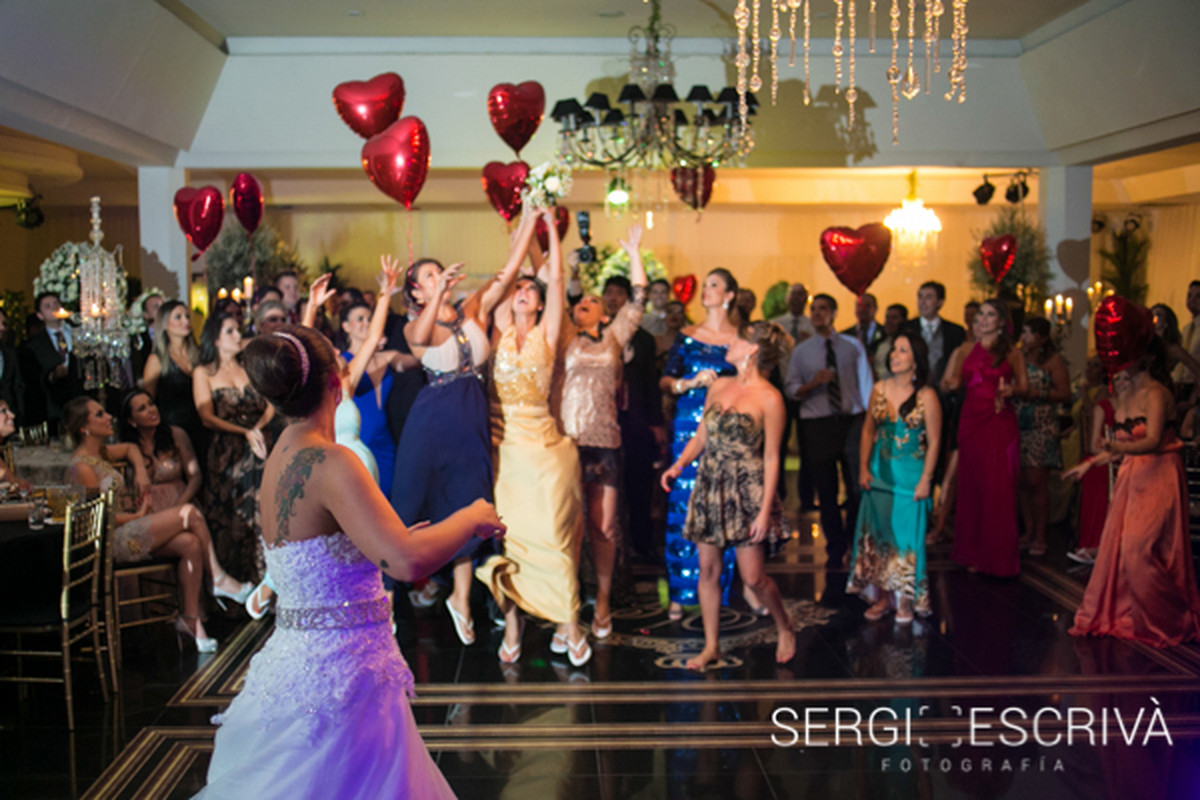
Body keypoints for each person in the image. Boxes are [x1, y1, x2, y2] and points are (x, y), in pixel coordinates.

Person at [196, 325, 504, 798]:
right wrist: (470, 517)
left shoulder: (281, 453)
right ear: (337, 385)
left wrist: (384, 541)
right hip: (344, 683)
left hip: (299, 662)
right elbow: (404, 562)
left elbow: (319, 549)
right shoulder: (332, 462)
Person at [390, 212, 539, 647]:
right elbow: (419, 334)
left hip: (471, 415)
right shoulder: (415, 325)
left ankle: (460, 597)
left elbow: (510, 271)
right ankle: (384, 599)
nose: (439, 277)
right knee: (409, 508)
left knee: (472, 506)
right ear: (416, 289)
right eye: (428, 276)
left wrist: (530, 216)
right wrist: (436, 296)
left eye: (440, 273)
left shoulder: (472, 308)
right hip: (432, 422)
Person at [476, 210, 588, 665]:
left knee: (555, 538)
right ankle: (515, 625)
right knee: (513, 540)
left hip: (544, 448)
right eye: (517, 290)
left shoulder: (548, 330)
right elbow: (505, 276)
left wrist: (549, 227)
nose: (522, 293)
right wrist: (523, 223)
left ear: (540, 303)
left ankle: (570, 621)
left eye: (529, 290)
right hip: (504, 448)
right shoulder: (500, 330)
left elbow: (556, 278)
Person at [63, 396, 250, 652]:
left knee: (191, 543)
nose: (108, 417)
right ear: (84, 428)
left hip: (127, 529)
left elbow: (129, 448)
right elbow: (95, 519)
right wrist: (137, 516)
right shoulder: (81, 467)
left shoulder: (102, 453)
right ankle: (217, 578)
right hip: (110, 540)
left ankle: (190, 621)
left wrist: (140, 470)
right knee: (189, 513)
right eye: (99, 415)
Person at [662, 321, 795, 671]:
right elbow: (701, 435)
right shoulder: (719, 384)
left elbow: (771, 457)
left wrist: (765, 511)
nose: (730, 342)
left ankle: (784, 624)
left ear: (751, 350)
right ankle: (711, 646)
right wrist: (678, 465)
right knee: (708, 569)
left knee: (754, 578)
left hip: (747, 488)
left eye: (738, 339)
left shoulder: (770, 398)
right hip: (710, 482)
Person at [1064, 321, 1200, 648]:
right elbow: (1118, 444)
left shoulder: (1157, 393)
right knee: (1123, 553)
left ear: (1147, 359)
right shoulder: (1123, 393)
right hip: (1131, 477)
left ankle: (1172, 620)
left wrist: (1115, 450)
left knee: (1141, 550)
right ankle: (1137, 617)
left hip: (1160, 475)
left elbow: (1152, 440)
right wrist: (1089, 464)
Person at [559, 224, 648, 659]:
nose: (585, 303)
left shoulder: (615, 337)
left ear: (605, 314)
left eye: (593, 301)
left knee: (604, 527)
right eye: (581, 301)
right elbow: (557, 293)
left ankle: (605, 601)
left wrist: (633, 253)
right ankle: (569, 605)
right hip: (567, 444)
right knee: (569, 527)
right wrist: (571, 268)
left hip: (606, 442)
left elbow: (639, 299)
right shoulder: (562, 340)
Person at [659, 269, 741, 619]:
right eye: (705, 285)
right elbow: (665, 379)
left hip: (725, 430)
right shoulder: (687, 336)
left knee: (721, 506)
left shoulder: (741, 339)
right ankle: (679, 591)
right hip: (686, 427)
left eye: (713, 285)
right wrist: (687, 384)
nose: (706, 291)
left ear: (729, 295)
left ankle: (718, 590)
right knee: (684, 506)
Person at [847, 333, 941, 623]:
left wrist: (927, 479)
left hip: (911, 477)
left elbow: (935, 442)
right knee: (879, 536)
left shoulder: (927, 395)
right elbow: (867, 431)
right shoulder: (879, 388)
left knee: (907, 541)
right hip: (880, 473)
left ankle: (907, 601)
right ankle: (884, 598)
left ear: (916, 359)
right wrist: (863, 467)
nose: (895, 355)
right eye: (893, 350)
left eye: (903, 350)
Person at [784, 294, 874, 569]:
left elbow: (866, 386)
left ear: (834, 313)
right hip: (817, 423)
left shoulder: (852, 346)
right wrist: (812, 384)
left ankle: (853, 541)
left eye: (823, 309)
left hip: (849, 422)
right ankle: (835, 546)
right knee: (826, 490)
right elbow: (791, 388)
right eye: (815, 310)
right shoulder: (801, 351)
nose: (817, 314)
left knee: (857, 488)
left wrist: (870, 421)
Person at [943, 298, 1027, 577]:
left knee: (998, 487)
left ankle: (998, 559)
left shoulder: (1012, 353)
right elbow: (953, 382)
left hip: (998, 420)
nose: (984, 318)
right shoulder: (966, 349)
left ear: (1002, 322)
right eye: (982, 314)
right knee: (972, 485)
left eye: (991, 314)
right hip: (970, 420)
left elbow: (1024, 386)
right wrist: (947, 384)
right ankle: (973, 553)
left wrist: (1009, 392)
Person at [194, 311, 275, 584]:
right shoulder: (203, 372)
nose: (238, 336)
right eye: (230, 331)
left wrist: (258, 430)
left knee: (264, 514)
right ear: (215, 338)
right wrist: (244, 432)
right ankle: (236, 589)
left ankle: (267, 587)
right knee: (231, 518)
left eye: (238, 330)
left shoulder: (249, 366)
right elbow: (206, 417)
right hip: (226, 454)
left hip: (259, 448)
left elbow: (271, 404)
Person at [604, 267, 665, 568]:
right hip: (603, 419)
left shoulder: (643, 340)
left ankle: (643, 545)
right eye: (609, 294)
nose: (613, 299)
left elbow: (650, 383)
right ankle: (611, 551)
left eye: (619, 294)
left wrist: (656, 423)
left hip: (636, 420)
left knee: (639, 486)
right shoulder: (595, 332)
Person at [1014, 317, 1069, 556]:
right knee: (1022, 482)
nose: (1025, 337)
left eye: (1030, 333)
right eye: (1023, 331)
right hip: (1018, 424)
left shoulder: (1053, 361)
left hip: (1041, 425)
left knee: (1037, 481)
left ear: (1043, 338)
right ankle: (1027, 529)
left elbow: (1065, 393)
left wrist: (1036, 393)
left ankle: (1040, 534)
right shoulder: (1018, 358)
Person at [143, 299, 206, 468]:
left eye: (187, 316)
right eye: (178, 317)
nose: (185, 321)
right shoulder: (157, 359)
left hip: (202, 425)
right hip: (174, 429)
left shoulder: (199, 355)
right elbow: (147, 399)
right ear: (164, 324)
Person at [770, 283, 816, 510]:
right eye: (793, 295)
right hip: (782, 388)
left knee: (808, 446)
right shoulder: (778, 324)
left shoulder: (813, 325)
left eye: (801, 296)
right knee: (778, 442)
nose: (797, 299)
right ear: (787, 299)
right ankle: (778, 492)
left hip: (808, 391)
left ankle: (806, 497)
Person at [119, 389, 201, 513]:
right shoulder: (127, 448)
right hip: (146, 511)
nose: (151, 410)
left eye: (151, 404)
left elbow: (195, 477)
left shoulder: (176, 435)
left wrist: (179, 505)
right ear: (131, 421)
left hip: (179, 503)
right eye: (142, 408)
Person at [20, 291, 81, 433]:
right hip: (55, 406)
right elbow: (34, 379)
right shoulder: (34, 344)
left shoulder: (77, 333)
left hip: (80, 396)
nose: (53, 308)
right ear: (40, 315)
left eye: (55, 304)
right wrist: (53, 375)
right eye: (47, 306)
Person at [1151, 303, 1200, 412]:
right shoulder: (1146, 344)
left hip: (1162, 392)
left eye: (1158, 315)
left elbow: (1197, 369)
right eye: (1151, 313)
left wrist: (1193, 398)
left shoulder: (1172, 349)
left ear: (1166, 323)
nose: (1153, 317)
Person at [842, 293, 886, 371]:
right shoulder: (845, 335)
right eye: (859, 306)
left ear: (875, 309)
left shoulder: (885, 333)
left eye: (867, 306)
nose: (862, 309)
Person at [129, 291, 163, 381]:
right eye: (156, 307)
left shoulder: (174, 335)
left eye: (163, 306)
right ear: (146, 315)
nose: (161, 310)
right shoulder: (139, 339)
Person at [873, 303, 909, 380]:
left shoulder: (909, 345)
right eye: (887, 318)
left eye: (894, 318)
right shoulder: (879, 344)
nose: (889, 321)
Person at [0, 307, 24, 422]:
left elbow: (17, 388)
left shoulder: (9, 353)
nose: (2, 328)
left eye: (4, 324)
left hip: (8, 419)